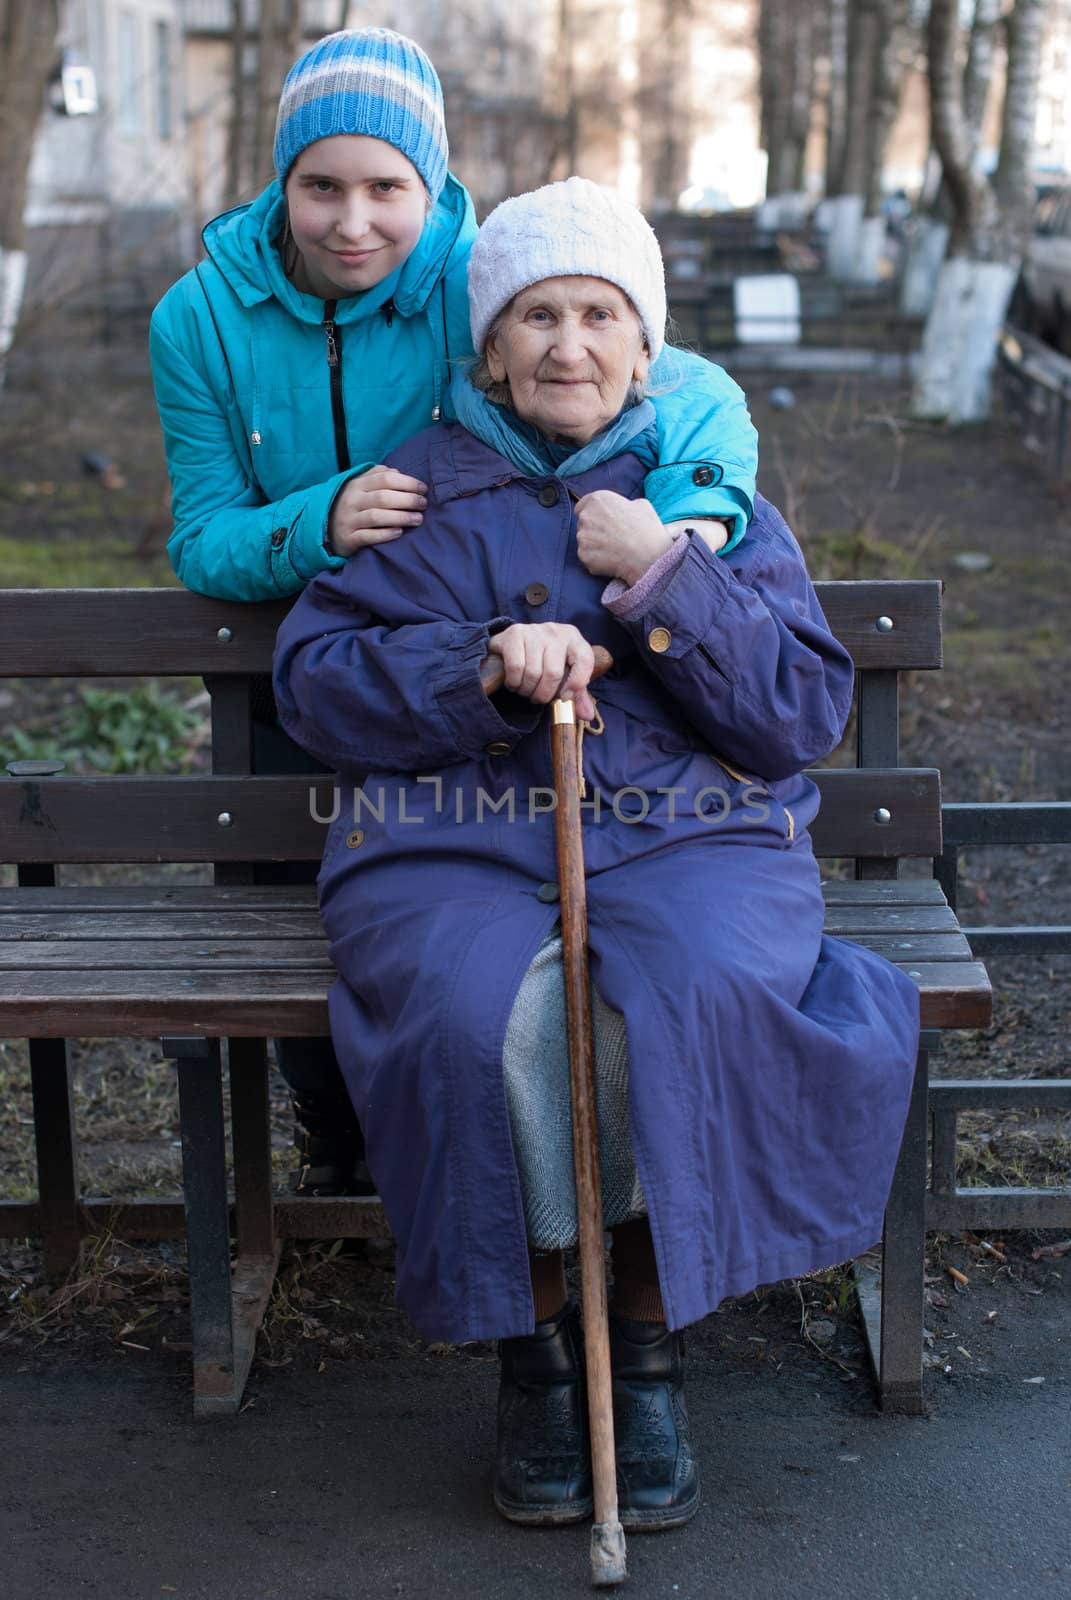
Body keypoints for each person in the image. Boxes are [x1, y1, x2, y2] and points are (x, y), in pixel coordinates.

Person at [272, 178, 921, 1531]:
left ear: (644, 348)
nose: (568, 345)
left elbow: (799, 712)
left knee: (680, 1003)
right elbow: (318, 679)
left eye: (598, 316)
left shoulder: (699, 498)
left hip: (692, 836)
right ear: (492, 349)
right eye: (537, 315)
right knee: (479, 1019)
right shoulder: (424, 489)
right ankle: (538, 1350)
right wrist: (478, 663)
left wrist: (662, 582)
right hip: (451, 841)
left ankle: (642, 1344)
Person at [149, 28, 759, 1194]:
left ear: (431, 190)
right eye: (321, 186)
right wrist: (320, 520)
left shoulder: (479, 276)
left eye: (388, 188)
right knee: (323, 944)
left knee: (472, 919)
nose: (354, 222)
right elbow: (202, 532)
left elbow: (683, 380)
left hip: (480, 641)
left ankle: (495, 1179)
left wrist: (694, 518)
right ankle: (350, 1161)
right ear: (281, 180)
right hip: (325, 642)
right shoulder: (202, 317)